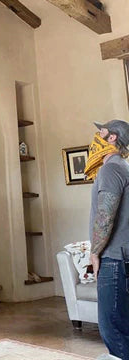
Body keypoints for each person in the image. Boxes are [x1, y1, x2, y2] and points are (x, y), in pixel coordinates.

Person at [84, 120, 129, 360]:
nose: (96, 136)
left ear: (111, 138)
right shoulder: (122, 167)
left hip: (113, 260)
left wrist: (95, 253)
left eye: (100, 132)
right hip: (122, 258)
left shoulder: (112, 169)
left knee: (113, 329)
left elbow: (105, 215)